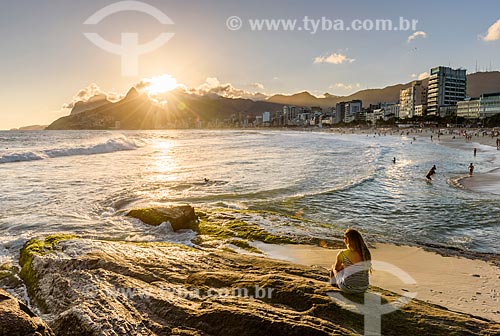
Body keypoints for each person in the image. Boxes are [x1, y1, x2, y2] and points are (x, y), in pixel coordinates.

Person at [329, 229, 371, 294]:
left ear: (346, 239)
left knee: (333, 267)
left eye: (344, 238)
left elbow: (337, 268)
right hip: (364, 288)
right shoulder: (366, 253)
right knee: (345, 268)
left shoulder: (342, 253)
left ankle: (333, 286)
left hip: (348, 288)